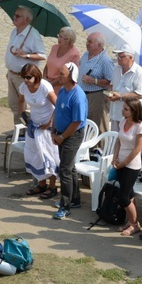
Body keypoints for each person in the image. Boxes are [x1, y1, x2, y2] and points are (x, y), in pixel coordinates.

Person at [52, 62, 88, 220]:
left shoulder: (78, 96)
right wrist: (54, 130)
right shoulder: (62, 90)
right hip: (61, 134)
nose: (59, 76)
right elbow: (57, 111)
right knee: (70, 168)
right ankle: (75, 199)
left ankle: (65, 205)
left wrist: (61, 137)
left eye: (62, 74)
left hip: (71, 135)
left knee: (65, 170)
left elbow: (76, 123)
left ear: (71, 76)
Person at [18, 63, 59, 199]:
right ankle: (42, 184)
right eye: (23, 77)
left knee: (50, 156)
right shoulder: (24, 87)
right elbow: (20, 102)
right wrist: (23, 115)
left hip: (47, 126)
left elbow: (58, 106)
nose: (25, 80)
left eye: (28, 77)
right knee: (36, 155)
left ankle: (53, 187)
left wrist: (50, 122)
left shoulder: (45, 87)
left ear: (36, 76)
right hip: (34, 125)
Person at [112, 97, 142, 236]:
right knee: (129, 194)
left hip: (131, 165)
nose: (123, 110)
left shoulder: (140, 126)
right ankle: (132, 221)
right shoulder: (123, 121)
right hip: (120, 162)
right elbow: (118, 141)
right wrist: (115, 158)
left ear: (133, 111)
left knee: (124, 197)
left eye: (126, 109)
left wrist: (124, 163)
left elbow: (137, 149)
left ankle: (135, 224)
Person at [5, 6, 46, 124]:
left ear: (27, 20)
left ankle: (28, 133)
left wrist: (26, 55)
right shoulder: (15, 31)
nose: (14, 17)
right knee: (14, 105)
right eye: (15, 15)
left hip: (24, 78)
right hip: (12, 74)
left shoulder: (33, 35)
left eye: (18, 16)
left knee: (25, 107)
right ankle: (18, 131)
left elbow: (42, 55)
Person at [78, 32, 114, 134]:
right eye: (87, 41)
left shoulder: (106, 61)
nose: (87, 43)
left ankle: (99, 148)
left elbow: (111, 81)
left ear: (99, 45)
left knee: (97, 123)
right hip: (82, 93)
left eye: (90, 42)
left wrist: (94, 81)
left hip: (96, 96)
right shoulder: (85, 55)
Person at [108, 47, 142, 131]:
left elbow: (140, 94)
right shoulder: (116, 69)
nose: (118, 59)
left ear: (131, 58)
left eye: (121, 57)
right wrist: (110, 94)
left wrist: (120, 96)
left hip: (130, 117)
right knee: (115, 140)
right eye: (117, 56)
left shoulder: (139, 72)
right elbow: (112, 85)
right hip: (115, 113)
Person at [43, 27, 80, 95]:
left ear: (69, 41)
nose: (59, 39)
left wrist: (51, 84)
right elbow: (48, 64)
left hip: (60, 88)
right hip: (47, 83)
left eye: (63, 38)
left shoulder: (74, 55)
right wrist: (44, 78)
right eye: (59, 36)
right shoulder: (54, 47)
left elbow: (69, 75)